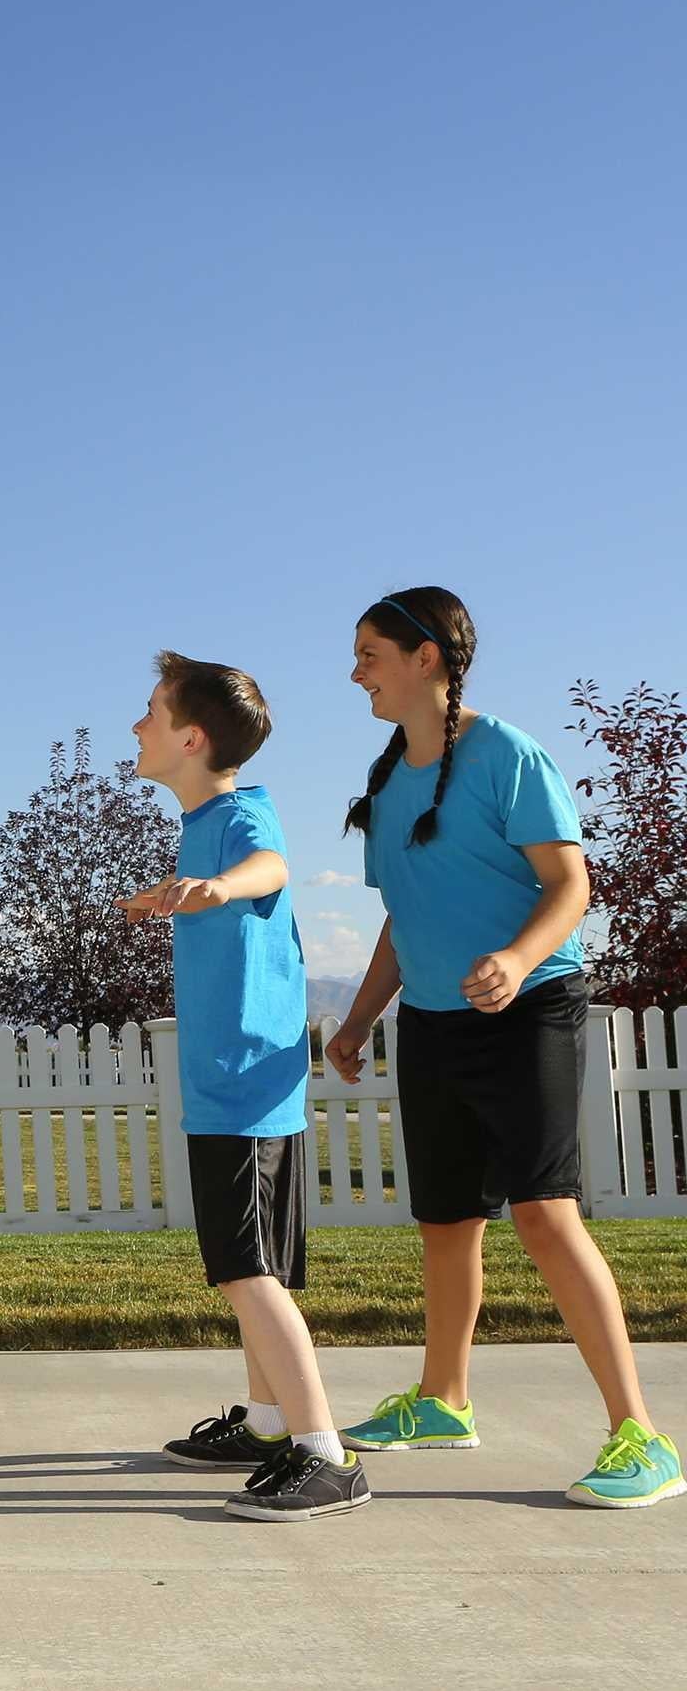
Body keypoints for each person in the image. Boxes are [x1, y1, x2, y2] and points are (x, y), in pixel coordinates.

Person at [326, 587, 681, 1508]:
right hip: (432, 1022)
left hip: (530, 1009)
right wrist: (360, 1020)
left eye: (369, 654)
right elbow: (403, 920)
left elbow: (571, 885)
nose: (355, 672)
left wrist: (518, 961)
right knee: (447, 1222)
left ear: (426, 659)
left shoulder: (508, 755)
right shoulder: (387, 782)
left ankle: (642, 1436)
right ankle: (442, 1402)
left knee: (544, 1214)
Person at [124, 652, 369, 1520]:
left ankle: (325, 1455)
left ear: (192, 738)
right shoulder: (203, 823)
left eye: (151, 712)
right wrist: (179, 893)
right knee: (254, 1269)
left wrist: (219, 885)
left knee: (244, 1272)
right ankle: (268, 1424)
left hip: (244, 1087)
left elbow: (269, 867)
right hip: (236, 1082)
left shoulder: (240, 815)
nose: (137, 725)